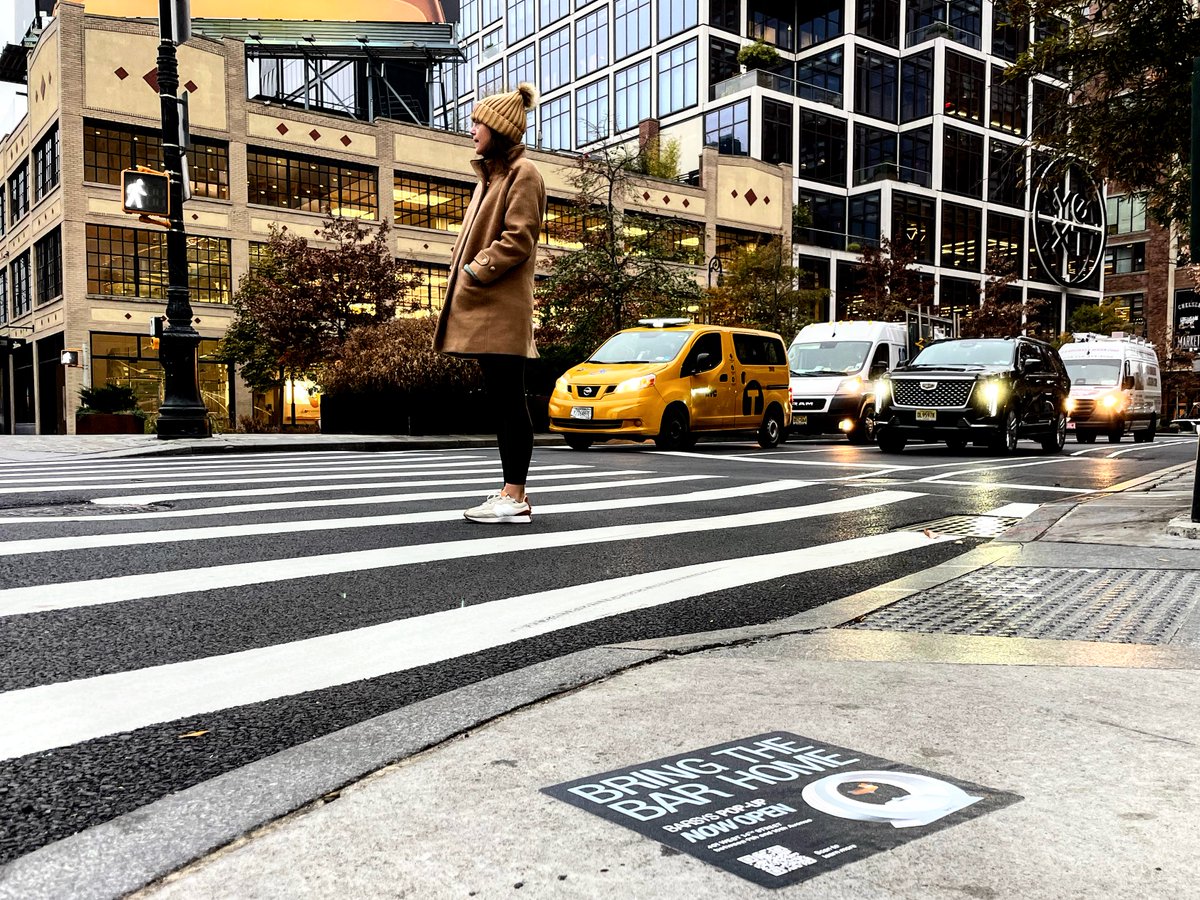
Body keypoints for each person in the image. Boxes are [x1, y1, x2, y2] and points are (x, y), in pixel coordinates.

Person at [434, 83, 547, 524]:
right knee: (502, 400)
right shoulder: (491, 177)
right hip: (485, 302)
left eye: (478, 122)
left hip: (500, 304)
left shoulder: (525, 174)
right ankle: (508, 490)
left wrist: (474, 270)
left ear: (498, 128)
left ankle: (515, 496)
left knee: (509, 399)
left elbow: (519, 238)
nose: (472, 129)